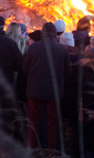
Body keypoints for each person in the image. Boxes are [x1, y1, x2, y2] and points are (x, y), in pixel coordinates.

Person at [23, 22, 71, 150]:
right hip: (54, 93)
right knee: (52, 124)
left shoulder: (33, 48)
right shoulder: (62, 49)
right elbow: (68, 72)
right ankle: (51, 152)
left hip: (34, 92)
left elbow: (25, 68)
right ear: (55, 35)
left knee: (33, 123)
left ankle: (32, 149)